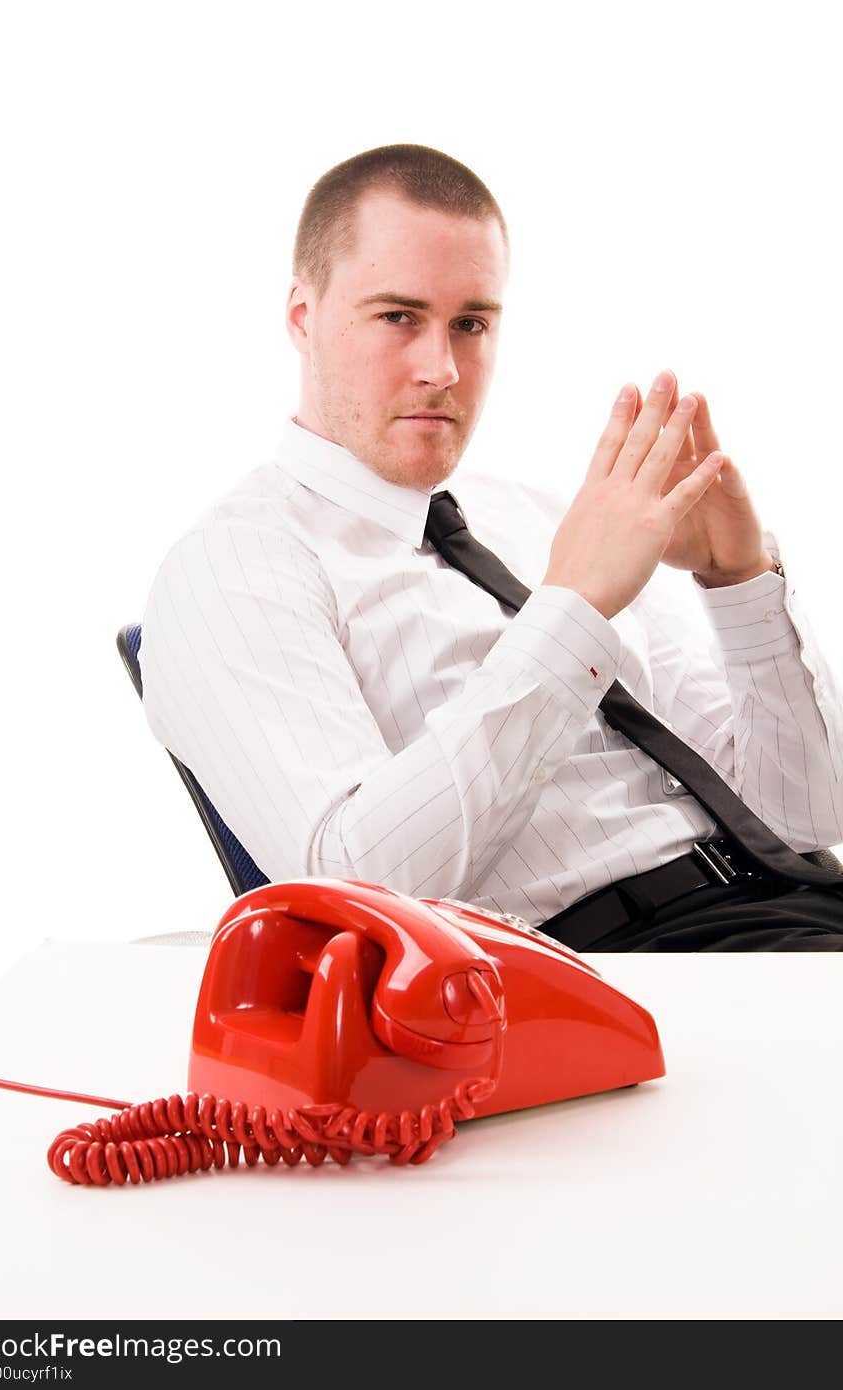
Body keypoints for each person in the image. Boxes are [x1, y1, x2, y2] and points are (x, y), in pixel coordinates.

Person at [138, 142, 843, 951]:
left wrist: (740, 584)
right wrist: (573, 609)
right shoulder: (233, 569)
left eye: (470, 323)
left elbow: (806, 816)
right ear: (303, 316)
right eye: (398, 317)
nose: (441, 368)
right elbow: (355, 889)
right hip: (622, 972)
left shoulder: (548, 518)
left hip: (794, 913)